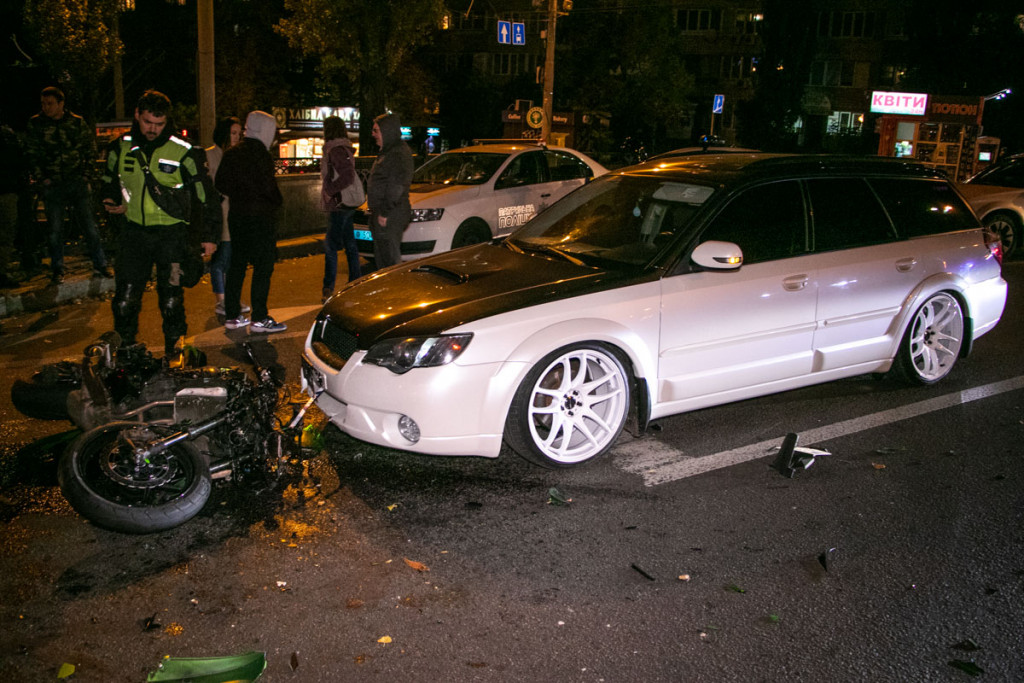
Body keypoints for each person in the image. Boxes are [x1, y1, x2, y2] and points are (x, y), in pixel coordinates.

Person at [100, 90, 220, 357]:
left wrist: (209, 236)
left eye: (159, 124)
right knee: (125, 300)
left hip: (172, 237)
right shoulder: (120, 147)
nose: (152, 129)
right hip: (134, 234)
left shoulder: (184, 152)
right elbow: (108, 182)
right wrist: (111, 200)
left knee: (171, 299)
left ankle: (175, 354)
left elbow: (205, 196)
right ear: (137, 116)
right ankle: (125, 353)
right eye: (147, 122)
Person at [25, 86, 111, 283]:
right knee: (55, 230)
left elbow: (89, 149)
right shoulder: (36, 124)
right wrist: (42, 178)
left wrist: (86, 175)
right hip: (53, 183)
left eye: (50, 103)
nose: (46, 107)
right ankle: (58, 269)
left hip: (76, 182)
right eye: (44, 104)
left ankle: (100, 264)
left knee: (90, 227)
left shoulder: (76, 123)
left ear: (60, 104)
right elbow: (32, 153)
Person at [215, 110, 286, 333]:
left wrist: (241, 194)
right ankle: (259, 317)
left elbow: (221, 184)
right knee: (263, 267)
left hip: (237, 216)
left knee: (237, 265)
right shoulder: (261, 155)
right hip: (260, 218)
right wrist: (275, 200)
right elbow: (269, 189)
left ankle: (233, 314)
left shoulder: (232, 153)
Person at [205, 116, 250, 316]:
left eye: (238, 134)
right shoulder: (210, 156)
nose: (236, 138)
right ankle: (221, 300)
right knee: (220, 258)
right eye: (233, 133)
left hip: (235, 213)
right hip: (218, 213)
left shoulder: (236, 156)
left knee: (232, 259)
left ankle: (230, 298)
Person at [320, 115, 361, 301]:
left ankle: (328, 288)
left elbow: (347, 176)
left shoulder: (335, 150)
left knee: (330, 247)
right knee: (350, 244)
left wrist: (330, 190)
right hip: (346, 203)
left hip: (339, 204)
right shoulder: (344, 148)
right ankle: (355, 282)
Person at [366, 113, 413, 269]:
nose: (373, 134)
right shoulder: (389, 151)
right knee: (384, 258)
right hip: (386, 213)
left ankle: (396, 290)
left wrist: (385, 212)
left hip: (391, 214)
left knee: (390, 260)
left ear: (387, 131)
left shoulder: (397, 154)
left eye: (376, 130)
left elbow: (396, 186)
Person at [0, 119, 24, 288]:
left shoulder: (7, 135)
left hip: (7, 188)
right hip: (8, 188)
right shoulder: (7, 135)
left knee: (7, 233)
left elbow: (17, 159)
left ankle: (2, 271)